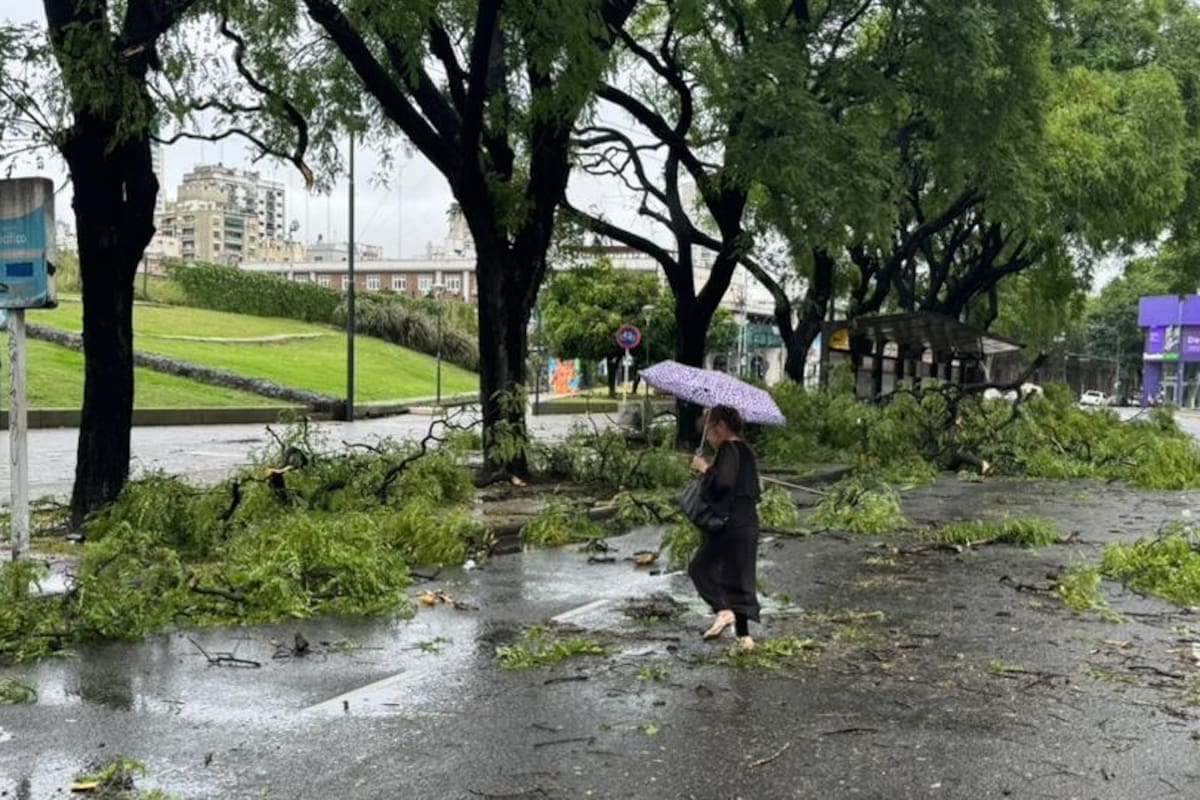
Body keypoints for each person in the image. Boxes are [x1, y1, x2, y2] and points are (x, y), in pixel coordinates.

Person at [688, 405, 762, 651]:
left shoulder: (729, 448)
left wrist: (705, 468)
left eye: (709, 430)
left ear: (719, 427)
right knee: (737, 578)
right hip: (747, 522)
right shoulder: (746, 450)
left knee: (699, 568)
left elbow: (723, 484)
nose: (708, 437)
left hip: (730, 524)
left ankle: (723, 610)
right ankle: (745, 638)